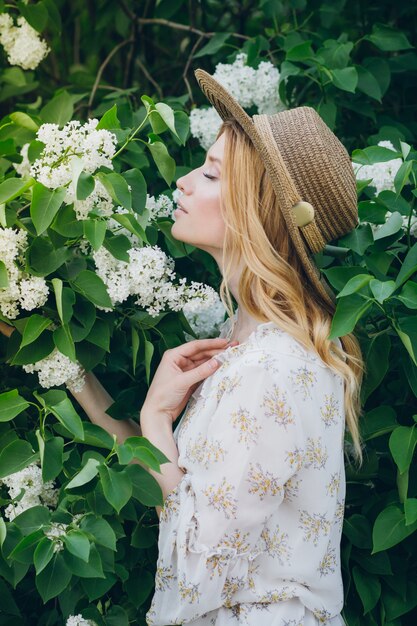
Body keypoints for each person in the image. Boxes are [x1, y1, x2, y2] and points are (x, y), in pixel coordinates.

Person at [1, 67, 366, 625]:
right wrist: (56, 349)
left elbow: (200, 554)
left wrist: (155, 416)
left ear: (257, 206)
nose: (186, 182)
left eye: (213, 174)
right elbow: (168, 481)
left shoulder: (277, 367)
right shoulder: (243, 343)